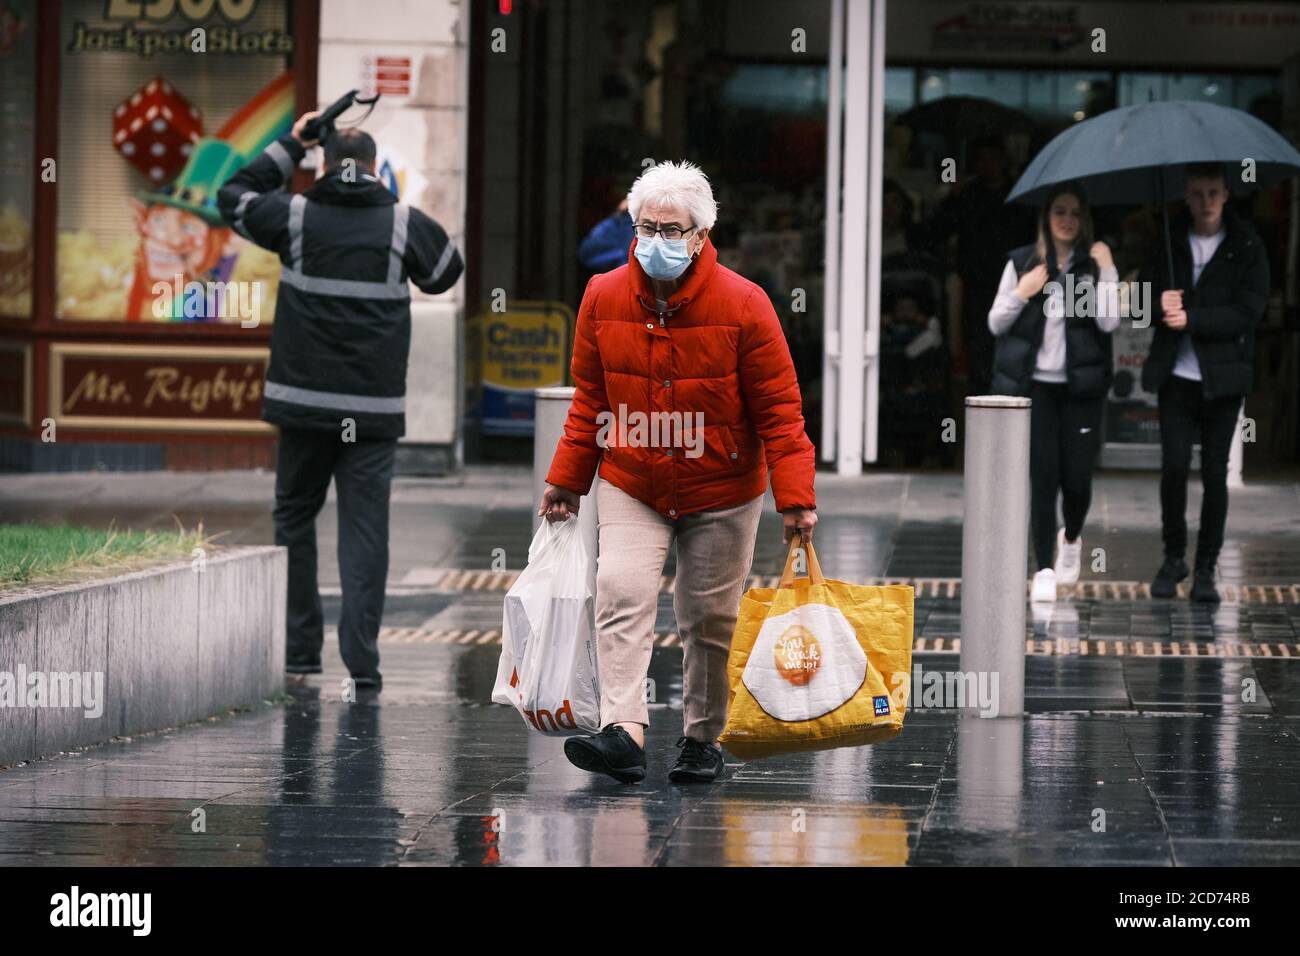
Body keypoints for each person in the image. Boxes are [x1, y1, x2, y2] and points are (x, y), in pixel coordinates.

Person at [539, 160, 817, 785]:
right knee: (620, 592)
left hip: (722, 486)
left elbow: (780, 409)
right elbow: (590, 399)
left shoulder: (745, 305)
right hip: (633, 477)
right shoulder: (603, 295)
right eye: (646, 226)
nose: (657, 239)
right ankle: (624, 732)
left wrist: (795, 498)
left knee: (710, 617)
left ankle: (701, 738)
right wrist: (566, 481)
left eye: (672, 229)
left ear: (700, 235)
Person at [218, 111, 464, 689]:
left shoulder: (294, 215)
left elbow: (232, 193)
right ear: (375, 168)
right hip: (371, 414)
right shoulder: (402, 223)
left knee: (295, 518)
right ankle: (363, 665)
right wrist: (395, 205)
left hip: (301, 406)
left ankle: (301, 657)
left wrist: (290, 143)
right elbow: (446, 273)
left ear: (323, 164)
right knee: (364, 529)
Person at [1141, 163, 1269, 603]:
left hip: (1223, 377)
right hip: (1176, 374)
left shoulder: (1246, 244)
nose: (1207, 202)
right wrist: (1158, 300)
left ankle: (1206, 568)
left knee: (1215, 473)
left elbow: (1250, 311)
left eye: (1214, 192)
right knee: (1174, 465)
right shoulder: (1166, 237)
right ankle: (1173, 555)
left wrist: (1193, 318)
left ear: (1227, 195)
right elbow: (1141, 294)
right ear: (1186, 196)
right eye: (1198, 193)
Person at [988, 182, 1118, 603]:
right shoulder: (1023, 261)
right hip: (1036, 389)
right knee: (1043, 480)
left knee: (1077, 480)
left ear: (1084, 220)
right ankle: (1043, 566)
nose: (1066, 219)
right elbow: (995, 323)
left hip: (1080, 391)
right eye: (1059, 211)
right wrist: (1021, 293)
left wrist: (1109, 269)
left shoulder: (1092, 266)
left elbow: (1110, 322)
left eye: (1075, 212)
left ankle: (1073, 535)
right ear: (1046, 216)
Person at [919, 136, 1036, 396]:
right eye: (982, 160)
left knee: (1012, 350)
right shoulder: (968, 195)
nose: (988, 165)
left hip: (1015, 285)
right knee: (978, 353)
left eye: (993, 158)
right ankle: (981, 403)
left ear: (1003, 161)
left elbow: (1031, 240)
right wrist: (950, 197)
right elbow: (932, 233)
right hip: (976, 287)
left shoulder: (1019, 197)